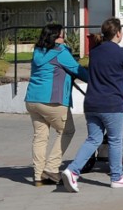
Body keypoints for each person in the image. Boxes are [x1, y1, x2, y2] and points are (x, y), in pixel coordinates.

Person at [63, 17, 123, 190]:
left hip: (91, 103)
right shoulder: (122, 53)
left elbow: (112, 73)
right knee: (115, 140)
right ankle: (117, 177)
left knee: (93, 139)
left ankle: (73, 170)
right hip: (112, 104)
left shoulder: (95, 52)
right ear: (119, 33)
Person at [24, 23, 85, 187]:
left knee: (40, 137)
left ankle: (38, 176)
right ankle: (51, 167)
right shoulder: (60, 52)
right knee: (67, 130)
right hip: (52, 101)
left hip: (32, 100)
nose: (63, 38)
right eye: (61, 35)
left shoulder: (38, 51)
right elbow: (79, 70)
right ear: (55, 37)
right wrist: (100, 80)